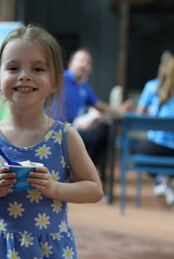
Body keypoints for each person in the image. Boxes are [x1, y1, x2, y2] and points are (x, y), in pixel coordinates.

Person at [0, 24, 104, 259]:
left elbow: (94, 189)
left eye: (38, 69)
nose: (25, 76)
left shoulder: (65, 136)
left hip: (45, 252)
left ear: (55, 81)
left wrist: (54, 188)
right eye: (13, 68)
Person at [52, 48, 132, 184]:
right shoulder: (58, 79)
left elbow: (99, 105)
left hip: (71, 130)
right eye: (81, 61)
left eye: (88, 62)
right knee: (96, 140)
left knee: (100, 139)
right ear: (71, 64)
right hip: (54, 130)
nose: (84, 64)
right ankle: (84, 177)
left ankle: (86, 177)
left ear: (90, 69)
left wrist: (119, 111)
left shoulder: (85, 87)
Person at [135, 55, 174, 208]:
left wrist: (154, 111)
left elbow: (139, 113)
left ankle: (166, 180)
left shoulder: (153, 86)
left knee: (135, 151)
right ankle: (172, 183)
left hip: (156, 149)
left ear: (162, 69)